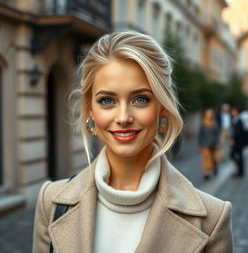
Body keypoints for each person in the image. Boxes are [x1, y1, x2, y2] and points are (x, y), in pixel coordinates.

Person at [32, 31, 233, 253]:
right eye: (107, 100)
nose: (123, 117)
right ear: (91, 110)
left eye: (140, 99)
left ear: (162, 108)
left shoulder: (212, 218)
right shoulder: (51, 202)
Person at [198, 109, 220, 180]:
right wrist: (199, 145)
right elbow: (200, 135)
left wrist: (218, 143)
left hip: (213, 144)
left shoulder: (215, 123)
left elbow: (217, 134)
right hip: (205, 144)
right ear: (205, 115)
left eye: (210, 114)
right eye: (208, 114)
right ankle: (206, 173)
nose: (209, 116)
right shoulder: (203, 124)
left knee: (213, 158)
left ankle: (215, 168)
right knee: (207, 158)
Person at [231, 107, 245, 177]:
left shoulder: (239, 120)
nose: (232, 112)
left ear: (237, 112)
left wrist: (233, 139)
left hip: (238, 142)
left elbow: (238, 132)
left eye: (233, 111)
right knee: (238, 156)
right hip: (237, 141)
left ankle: (240, 170)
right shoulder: (235, 120)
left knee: (233, 155)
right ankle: (240, 170)